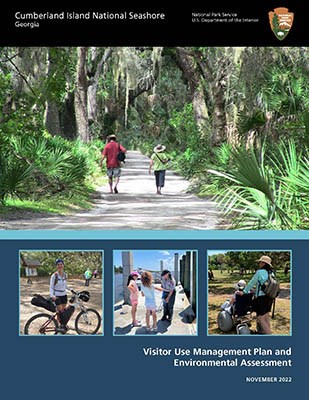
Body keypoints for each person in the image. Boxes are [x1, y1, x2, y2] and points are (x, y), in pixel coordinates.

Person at [238, 255, 274, 334]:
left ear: (264, 263)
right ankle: (263, 331)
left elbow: (251, 283)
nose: (259, 264)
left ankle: (269, 334)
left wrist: (243, 292)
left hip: (262, 298)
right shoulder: (271, 273)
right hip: (270, 297)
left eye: (260, 262)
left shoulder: (259, 272)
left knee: (261, 317)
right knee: (266, 316)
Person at [50, 259, 72, 329]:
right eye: (58, 264)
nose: (60, 266)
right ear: (56, 266)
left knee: (63, 312)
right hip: (57, 296)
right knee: (59, 313)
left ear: (63, 265)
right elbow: (51, 287)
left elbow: (65, 285)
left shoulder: (65, 274)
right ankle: (58, 325)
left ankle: (62, 324)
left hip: (64, 295)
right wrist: (52, 295)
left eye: (61, 264)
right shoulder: (54, 275)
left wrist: (71, 289)